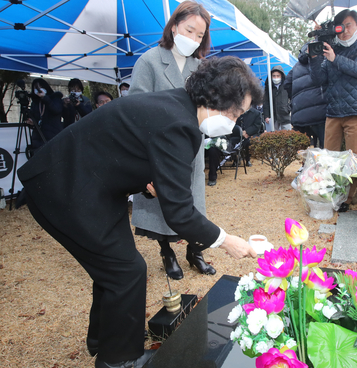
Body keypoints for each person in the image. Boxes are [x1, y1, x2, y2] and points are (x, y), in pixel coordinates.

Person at [17, 56, 260, 368]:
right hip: (67, 188)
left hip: (90, 186)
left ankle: (103, 341)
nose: (236, 121)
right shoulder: (180, 123)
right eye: (237, 112)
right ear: (216, 97)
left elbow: (132, 151)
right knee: (126, 271)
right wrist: (227, 241)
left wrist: (155, 185)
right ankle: (118, 360)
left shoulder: (177, 106)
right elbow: (181, 214)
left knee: (116, 269)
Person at [128, 1, 215, 278]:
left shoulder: (200, 66)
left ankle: (195, 250)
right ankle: (166, 251)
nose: (193, 39)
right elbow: (136, 109)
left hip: (190, 147)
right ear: (174, 26)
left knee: (193, 201)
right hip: (160, 148)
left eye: (199, 36)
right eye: (189, 30)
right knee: (161, 200)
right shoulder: (149, 61)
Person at [309, 9, 357, 212]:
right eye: (341, 27)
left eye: (349, 25)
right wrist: (314, 56)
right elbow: (318, 79)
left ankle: (346, 199)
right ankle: (329, 192)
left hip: (356, 112)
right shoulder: (332, 48)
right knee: (329, 158)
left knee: (352, 158)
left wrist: (335, 59)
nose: (345, 31)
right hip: (333, 112)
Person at [284, 43, 327, 149]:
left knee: (303, 152)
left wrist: (296, 98)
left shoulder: (296, 65)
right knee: (325, 150)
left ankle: (305, 165)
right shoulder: (322, 60)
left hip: (300, 116)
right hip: (320, 113)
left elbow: (287, 84)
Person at [27, 78, 64, 151]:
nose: (39, 90)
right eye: (36, 88)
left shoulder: (55, 98)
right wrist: (31, 122)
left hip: (53, 135)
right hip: (38, 136)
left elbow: (56, 110)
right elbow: (34, 117)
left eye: (40, 87)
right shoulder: (35, 103)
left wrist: (45, 98)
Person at [263, 65, 291, 131]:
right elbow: (266, 102)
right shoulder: (269, 88)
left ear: (281, 76)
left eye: (278, 76)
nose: (276, 78)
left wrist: (288, 108)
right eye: (274, 76)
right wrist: (266, 116)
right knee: (273, 138)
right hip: (273, 117)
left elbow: (292, 98)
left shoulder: (287, 86)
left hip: (285, 117)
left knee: (287, 138)